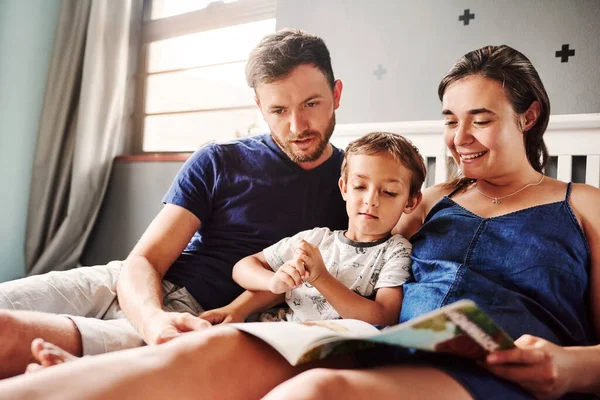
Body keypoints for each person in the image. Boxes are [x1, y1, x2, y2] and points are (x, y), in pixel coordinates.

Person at [1, 45, 599, 400]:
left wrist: (568, 366)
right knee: (219, 349)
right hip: (384, 346)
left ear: (529, 116)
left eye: (482, 120)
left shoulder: (583, 205)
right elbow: (359, 233)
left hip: (491, 368)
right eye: (449, 119)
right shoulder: (433, 198)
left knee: (314, 392)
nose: (460, 139)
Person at [0, 28, 348, 378]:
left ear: (336, 94)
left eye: (311, 104)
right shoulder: (218, 160)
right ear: (260, 107)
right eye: (278, 110)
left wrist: (167, 328)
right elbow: (146, 259)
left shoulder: (361, 186)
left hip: (192, 315)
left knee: (10, 341)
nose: (296, 125)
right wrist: (153, 320)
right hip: (128, 284)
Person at [226, 132, 425, 326]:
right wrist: (273, 282)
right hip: (275, 330)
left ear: (410, 202)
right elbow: (243, 267)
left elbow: (384, 316)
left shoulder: (395, 251)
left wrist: (321, 278)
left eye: (389, 192)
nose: (371, 201)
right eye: (359, 186)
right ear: (344, 188)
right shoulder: (316, 240)